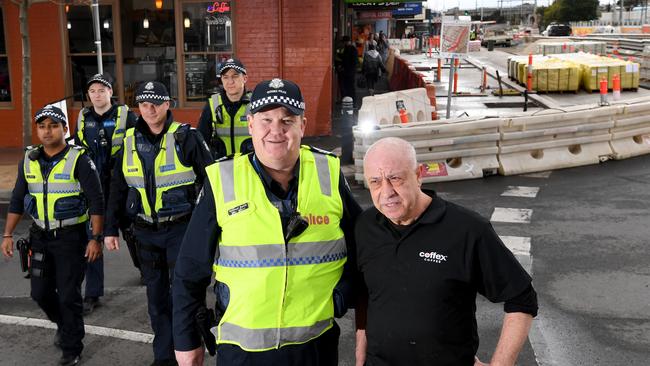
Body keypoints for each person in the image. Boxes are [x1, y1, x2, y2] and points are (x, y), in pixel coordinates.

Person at [172, 78, 362, 366]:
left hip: (314, 348)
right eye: (266, 120)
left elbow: (366, 247)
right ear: (251, 125)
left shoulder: (329, 174)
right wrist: (186, 340)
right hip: (242, 351)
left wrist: (342, 294)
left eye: (287, 120)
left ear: (303, 125)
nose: (276, 130)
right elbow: (190, 269)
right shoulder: (223, 181)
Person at [355, 137, 538, 366]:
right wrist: (360, 345)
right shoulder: (365, 226)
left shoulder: (466, 229)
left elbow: (522, 298)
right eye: (375, 181)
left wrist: (500, 364)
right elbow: (364, 291)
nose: (386, 191)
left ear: (419, 174)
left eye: (395, 178)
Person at [104, 81, 213, 366]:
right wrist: (109, 228)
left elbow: (213, 183)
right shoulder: (128, 140)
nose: (149, 109)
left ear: (167, 104)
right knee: (157, 301)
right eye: (143, 104)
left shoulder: (186, 137)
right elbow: (117, 186)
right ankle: (164, 357)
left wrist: (210, 230)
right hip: (144, 233)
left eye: (155, 103)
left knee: (185, 295)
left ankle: (189, 352)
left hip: (182, 229)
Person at [1, 105, 104, 366]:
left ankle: (72, 347)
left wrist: (96, 238)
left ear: (63, 129)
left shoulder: (79, 159)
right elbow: (16, 198)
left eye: (53, 125)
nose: (47, 131)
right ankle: (64, 325)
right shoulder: (29, 159)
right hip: (39, 238)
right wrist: (8, 234)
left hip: (71, 237)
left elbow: (96, 200)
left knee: (69, 295)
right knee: (40, 293)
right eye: (42, 126)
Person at [73, 73, 138, 314]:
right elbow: (78, 147)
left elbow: (138, 144)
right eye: (93, 91)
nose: (97, 95)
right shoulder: (83, 117)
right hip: (95, 186)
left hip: (122, 184)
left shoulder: (124, 115)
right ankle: (92, 293)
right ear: (88, 95)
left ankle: (145, 268)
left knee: (134, 232)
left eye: (102, 90)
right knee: (94, 236)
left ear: (111, 92)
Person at [197, 58, 252, 159]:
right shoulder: (212, 104)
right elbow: (201, 142)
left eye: (235, 76)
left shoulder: (255, 103)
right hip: (221, 169)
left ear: (245, 78)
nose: (230, 81)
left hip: (250, 168)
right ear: (221, 80)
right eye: (225, 77)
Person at [340, 36, 358, 100]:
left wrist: (344, 67)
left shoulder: (351, 49)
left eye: (344, 42)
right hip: (349, 71)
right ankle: (350, 101)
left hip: (350, 72)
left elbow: (353, 61)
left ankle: (352, 101)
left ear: (347, 42)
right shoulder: (349, 48)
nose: (344, 43)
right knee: (349, 87)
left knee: (350, 87)